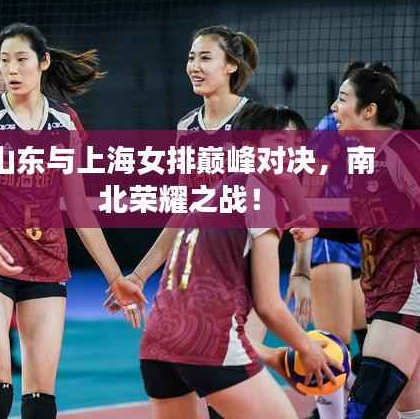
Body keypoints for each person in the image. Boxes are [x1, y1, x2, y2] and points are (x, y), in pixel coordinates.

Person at [0, 22, 146, 419]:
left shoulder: (65, 123)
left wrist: (115, 276)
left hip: (47, 263)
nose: (12, 69)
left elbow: (79, 209)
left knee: (40, 404)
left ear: (44, 62)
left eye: (21, 59)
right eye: (5, 61)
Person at [114, 104, 338, 419]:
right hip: (210, 345)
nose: (291, 154)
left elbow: (201, 307)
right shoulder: (261, 198)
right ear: (249, 146)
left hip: (158, 344)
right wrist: (307, 348)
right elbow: (269, 306)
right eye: (279, 143)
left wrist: (272, 357)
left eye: (297, 145)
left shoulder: (216, 194)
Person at [293, 67, 420, 418]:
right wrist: (318, 226)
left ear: (369, 111)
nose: (333, 107)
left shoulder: (402, 151)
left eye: (342, 99)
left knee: (364, 406)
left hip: (407, 294)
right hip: (384, 291)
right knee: (411, 405)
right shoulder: (367, 160)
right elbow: (367, 221)